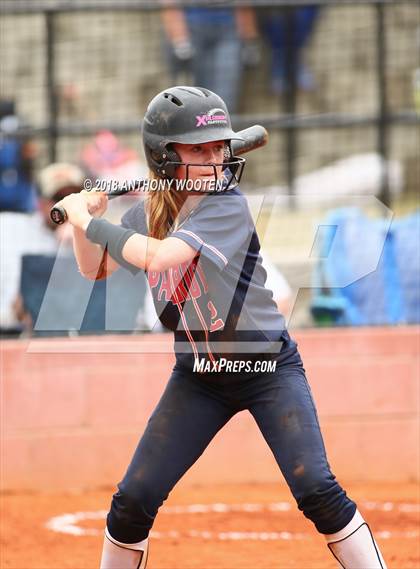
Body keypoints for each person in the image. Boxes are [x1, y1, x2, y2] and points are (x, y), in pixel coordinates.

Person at [57, 86, 387, 569]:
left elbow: (161, 257)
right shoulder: (149, 210)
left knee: (316, 488)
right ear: (163, 155)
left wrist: (93, 223)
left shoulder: (225, 204)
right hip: (198, 378)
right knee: (133, 501)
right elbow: (94, 270)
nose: (215, 160)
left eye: (218, 147)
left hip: (267, 369)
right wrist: (87, 225)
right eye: (198, 148)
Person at [0, 162, 84, 335]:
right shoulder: (9, 228)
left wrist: (78, 236)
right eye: (59, 198)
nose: (69, 205)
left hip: (73, 339)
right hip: (13, 334)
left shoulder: (93, 236)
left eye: (75, 197)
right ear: (41, 203)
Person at [161, 6, 260, 113]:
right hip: (191, 30)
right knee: (195, 98)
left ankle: (221, 126)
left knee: (226, 97)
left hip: (228, 28)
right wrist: (180, 38)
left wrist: (249, 35)